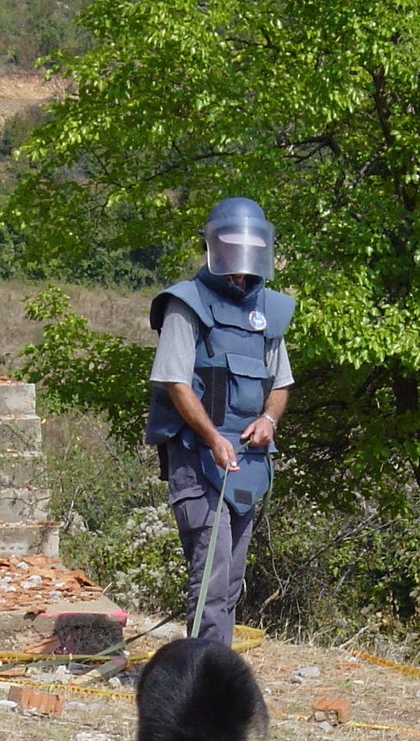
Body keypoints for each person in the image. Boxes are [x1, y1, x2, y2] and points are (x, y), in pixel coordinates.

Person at [145, 197, 296, 645]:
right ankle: (204, 671)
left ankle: (215, 666)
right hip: (198, 456)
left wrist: (268, 418)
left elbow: (281, 383)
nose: (242, 264)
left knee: (230, 579)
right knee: (210, 575)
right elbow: (176, 382)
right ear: (215, 246)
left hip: (247, 461)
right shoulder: (185, 304)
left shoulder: (267, 310)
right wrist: (212, 437)